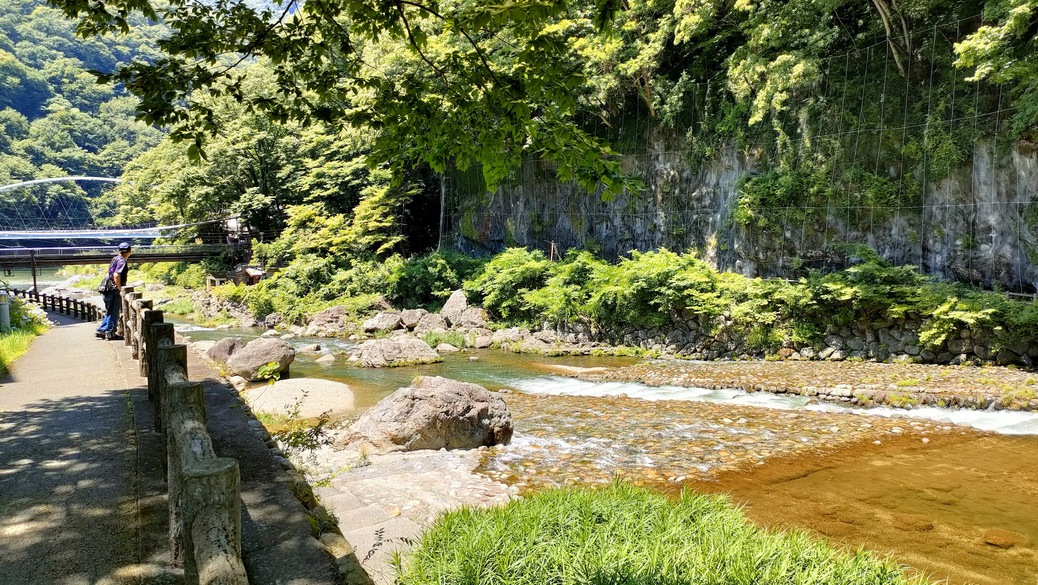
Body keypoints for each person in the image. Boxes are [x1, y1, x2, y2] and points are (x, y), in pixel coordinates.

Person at [95, 242, 132, 340]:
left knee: (110, 311)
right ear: (129, 251)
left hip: (106, 288)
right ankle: (110, 333)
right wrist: (120, 289)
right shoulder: (122, 261)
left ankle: (102, 330)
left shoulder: (115, 258)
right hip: (113, 289)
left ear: (119, 251)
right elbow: (116, 275)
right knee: (114, 312)